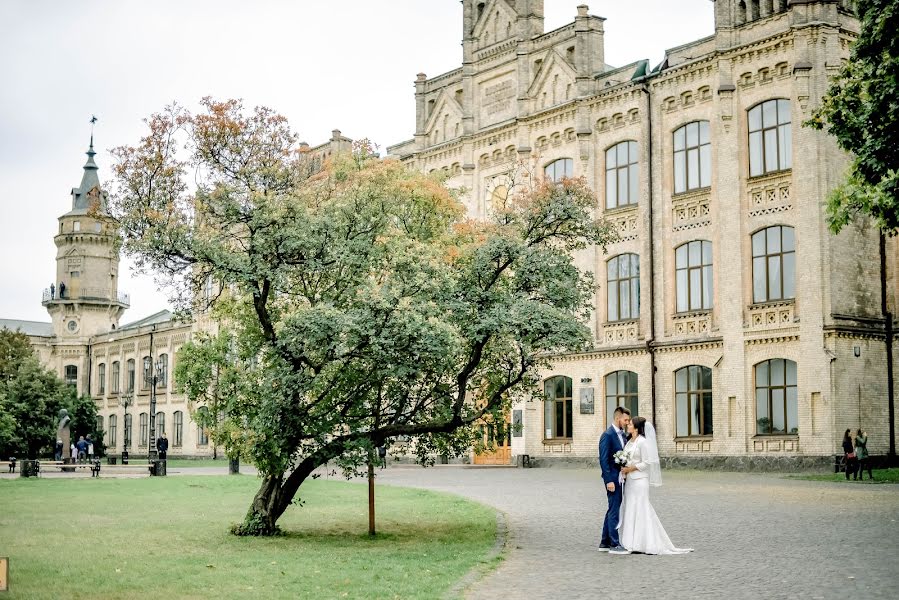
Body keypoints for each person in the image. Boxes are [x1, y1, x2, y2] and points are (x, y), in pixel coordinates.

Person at [617, 416, 692, 555]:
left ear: (637, 428)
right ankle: (631, 542)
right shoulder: (629, 442)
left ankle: (645, 542)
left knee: (641, 509)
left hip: (640, 481)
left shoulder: (643, 442)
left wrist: (630, 469)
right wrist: (624, 468)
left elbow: (647, 462)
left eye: (631, 424)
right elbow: (626, 458)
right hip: (630, 482)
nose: (628, 425)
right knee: (631, 509)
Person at [598, 406, 631, 554]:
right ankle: (614, 544)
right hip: (612, 479)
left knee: (612, 508)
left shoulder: (622, 435)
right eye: (625, 420)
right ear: (618, 418)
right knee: (614, 510)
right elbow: (604, 460)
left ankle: (604, 542)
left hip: (620, 478)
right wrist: (608, 481)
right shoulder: (607, 435)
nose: (627, 422)